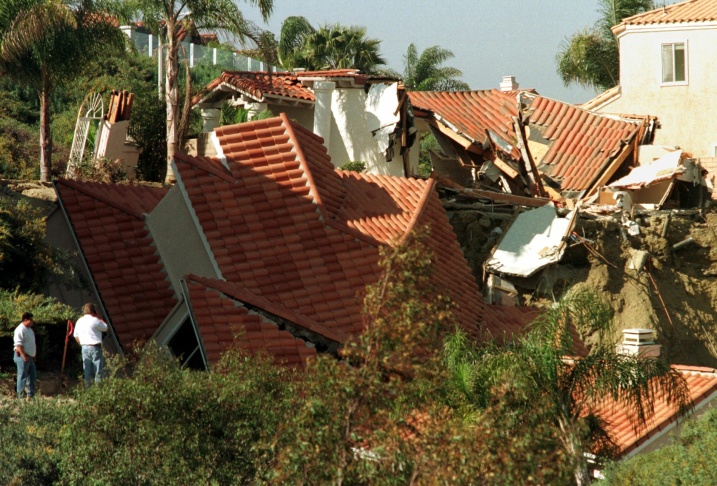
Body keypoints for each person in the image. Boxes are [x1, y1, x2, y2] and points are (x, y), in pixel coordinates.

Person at [73, 303, 108, 387]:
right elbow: (106, 328)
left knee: (87, 370)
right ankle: (98, 390)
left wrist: (82, 344)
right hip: (95, 347)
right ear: (93, 311)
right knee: (98, 370)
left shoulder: (79, 321)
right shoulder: (95, 320)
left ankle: (87, 389)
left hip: (84, 347)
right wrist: (99, 318)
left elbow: (75, 335)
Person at [13, 312, 36, 400]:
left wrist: (33, 355)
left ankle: (30, 395)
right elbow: (18, 345)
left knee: (32, 376)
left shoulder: (30, 330)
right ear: (25, 320)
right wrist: (24, 356)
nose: (32, 321)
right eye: (31, 319)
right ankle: (20, 396)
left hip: (30, 357)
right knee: (22, 376)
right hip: (22, 356)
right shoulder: (20, 329)